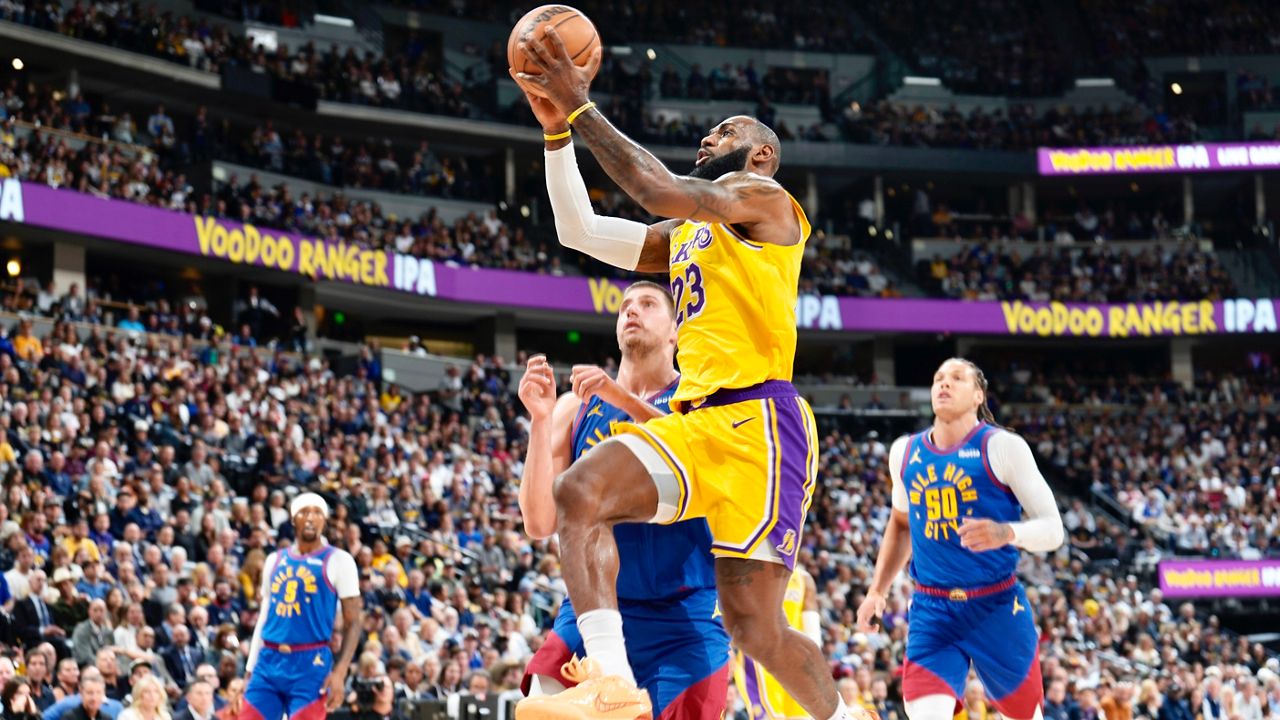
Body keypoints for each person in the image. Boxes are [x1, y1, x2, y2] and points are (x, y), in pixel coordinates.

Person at [509, 28, 857, 720]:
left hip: (764, 427)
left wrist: (579, 105)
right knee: (580, 493)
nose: (707, 137)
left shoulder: (767, 202)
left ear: (761, 153)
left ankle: (842, 716)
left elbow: (655, 186)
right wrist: (554, 137)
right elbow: (579, 230)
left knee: (755, 627)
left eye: (724, 130)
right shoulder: (687, 238)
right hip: (701, 422)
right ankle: (609, 680)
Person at [516, 282, 728, 718]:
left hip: (681, 616)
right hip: (591, 606)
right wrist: (539, 422)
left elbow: (700, 460)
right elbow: (539, 521)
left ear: (675, 331)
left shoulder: (705, 401)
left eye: (648, 305)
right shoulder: (576, 407)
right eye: (625, 307)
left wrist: (622, 399)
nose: (632, 311)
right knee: (540, 707)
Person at [855, 358, 1066, 720]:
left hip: (996, 607)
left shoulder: (1002, 447)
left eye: (956, 378)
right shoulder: (904, 452)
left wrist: (1007, 532)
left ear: (977, 395)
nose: (943, 384)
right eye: (938, 378)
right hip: (932, 609)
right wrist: (877, 590)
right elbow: (902, 524)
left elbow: (1053, 529)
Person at [243, 494, 362, 720]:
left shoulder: (339, 560)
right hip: (268, 660)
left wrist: (340, 672)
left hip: (311, 662)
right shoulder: (274, 560)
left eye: (317, 513)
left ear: (324, 521)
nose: (310, 518)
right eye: (304, 512)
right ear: (293, 519)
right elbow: (265, 615)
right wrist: (250, 668)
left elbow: (354, 621)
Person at [732, 566, 820, 720]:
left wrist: (815, 662)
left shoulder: (803, 578)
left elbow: (813, 630)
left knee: (802, 717)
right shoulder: (750, 569)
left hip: (796, 662)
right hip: (760, 659)